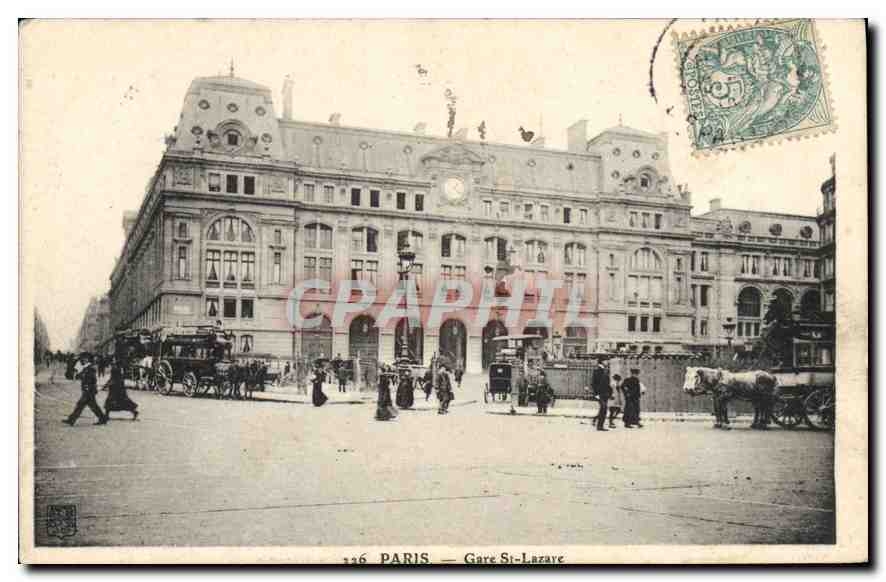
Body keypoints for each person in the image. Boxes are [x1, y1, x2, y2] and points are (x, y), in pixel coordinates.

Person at [64, 353, 107, 426]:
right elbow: (80, 376)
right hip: (88, 389)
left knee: (81, 404)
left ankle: (71, 420)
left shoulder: (91, 368)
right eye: (83, 358)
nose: (83, 360)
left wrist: (87, 386)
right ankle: (103, 419)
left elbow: (92, 379)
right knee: (93, 406)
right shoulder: (86, 367)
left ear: (88, 360)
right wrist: (77, 375)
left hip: (89, 390)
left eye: (85, 359)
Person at [591, 361, 612, 431]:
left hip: (605, 394)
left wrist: (610, 393)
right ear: (602, 362)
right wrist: (596, 394)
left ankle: (599, 425)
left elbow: (607, 384)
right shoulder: (597, 371)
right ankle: (599, 426)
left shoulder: (605, 370)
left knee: (603, 409)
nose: (607, 362)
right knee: (604, 408)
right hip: (600, 394)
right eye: (606, 361)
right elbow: (594, 383)